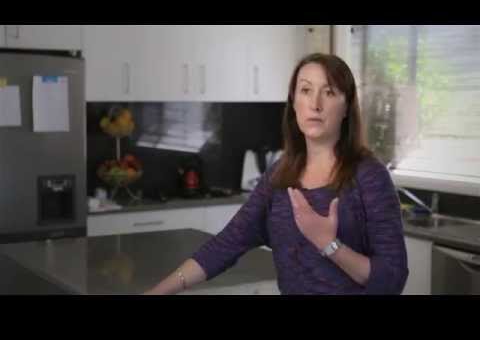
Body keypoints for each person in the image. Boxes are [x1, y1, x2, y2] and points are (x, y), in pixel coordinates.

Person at [144, 53, 409, 295]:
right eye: (306, 90)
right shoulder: (279, 176)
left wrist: (329, 244)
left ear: (346, 107)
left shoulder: (369, 176)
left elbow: (393, 279)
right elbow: (225, 245)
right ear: (294, 103)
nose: (315, 104)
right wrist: (158, 292)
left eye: (329, 92)